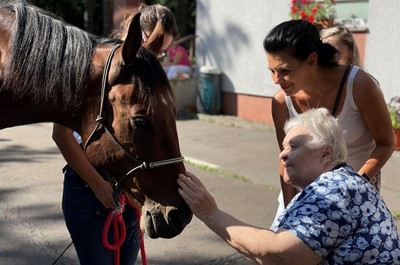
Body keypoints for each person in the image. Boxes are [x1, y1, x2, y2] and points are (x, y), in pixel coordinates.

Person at [177, 108, 400, 264]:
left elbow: (283, 255)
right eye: (283, 147)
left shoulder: (335, 189)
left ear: (326, 153)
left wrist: (210, 213)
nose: (282, 155)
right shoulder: (337, 183)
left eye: (293, 146)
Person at [52, 4, 178, 265]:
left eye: (163, 51)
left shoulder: (145, 81)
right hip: (87, 188)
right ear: (138, 36)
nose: (158, 56)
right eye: (155, 45)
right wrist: (98, 186)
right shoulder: (89, 69)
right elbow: (61, 135)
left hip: (126, 189)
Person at [263, 20, 394, 225]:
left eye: (285, 70)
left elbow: (386, 142)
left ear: (311, 61)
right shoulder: (281, 101)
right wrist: (290, 212)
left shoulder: (358, 84)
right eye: (271, 71)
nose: (276, 80)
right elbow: (285, 160)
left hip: (355, 194)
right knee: (279, 251)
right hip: (304, 196)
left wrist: (354, 185)